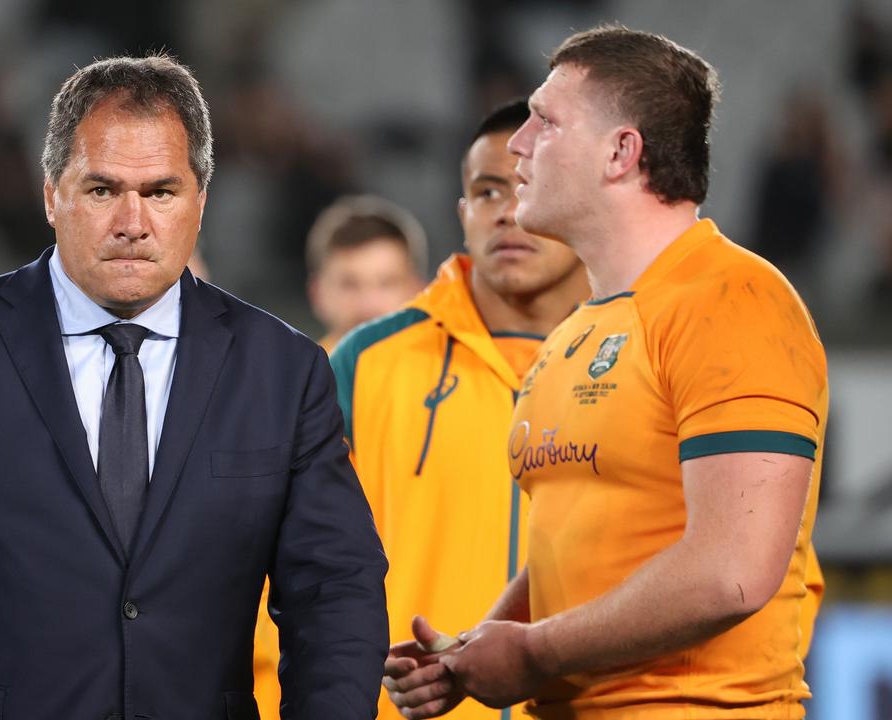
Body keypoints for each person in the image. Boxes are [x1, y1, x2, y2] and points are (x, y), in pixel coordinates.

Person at [0, 54, 389, 720]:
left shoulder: (283, 373)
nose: (133, 221)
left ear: (200, 201)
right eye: (102, 189)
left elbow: (334, 595)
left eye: (160, 191)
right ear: (50, 194)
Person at [384, 25, 828, 719]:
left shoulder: (734, 301)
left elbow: (732, 574)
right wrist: (472, 649)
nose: (519, 144)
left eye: (545, 121)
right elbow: (585, 536)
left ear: (622, 151)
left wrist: (535, 654)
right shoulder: (579, 331)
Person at [256, 100, 588, 720]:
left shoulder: (643, 359)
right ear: (462, 213)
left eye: (531, 185)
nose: (509, 211)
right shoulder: (363, 363)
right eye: (487, 191)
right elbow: (280, 575)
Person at [304, 195, 428, 353]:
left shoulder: (455, 373)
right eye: (349, 284)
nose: (368, 305)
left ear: (420, 291)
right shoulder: (295, 377)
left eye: (387, 283)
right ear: (317, 294)